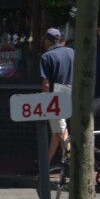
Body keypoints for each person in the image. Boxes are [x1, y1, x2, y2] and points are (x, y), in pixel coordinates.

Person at [39, 26, 75, 163]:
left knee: (62, 131)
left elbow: (46, 84)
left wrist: (45, 99)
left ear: (47, 40)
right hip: (72, 95)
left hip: (56, 99)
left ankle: (72, 165)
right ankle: (45, 163)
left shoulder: (46, 56)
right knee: (56, 132)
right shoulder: (72, 52)